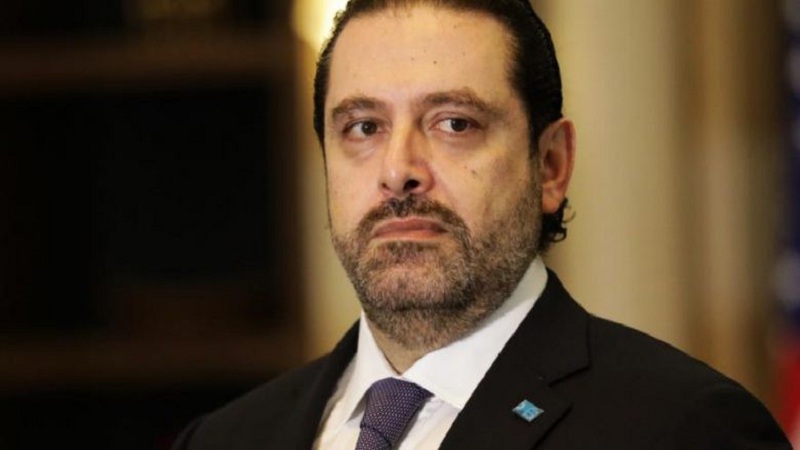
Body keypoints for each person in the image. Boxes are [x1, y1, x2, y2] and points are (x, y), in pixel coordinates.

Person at [173, 0, 791, 448]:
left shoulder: (684, 429)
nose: (398, 170)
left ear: (550, 166)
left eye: (454, 123)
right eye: (363, 127)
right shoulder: (224, 440)